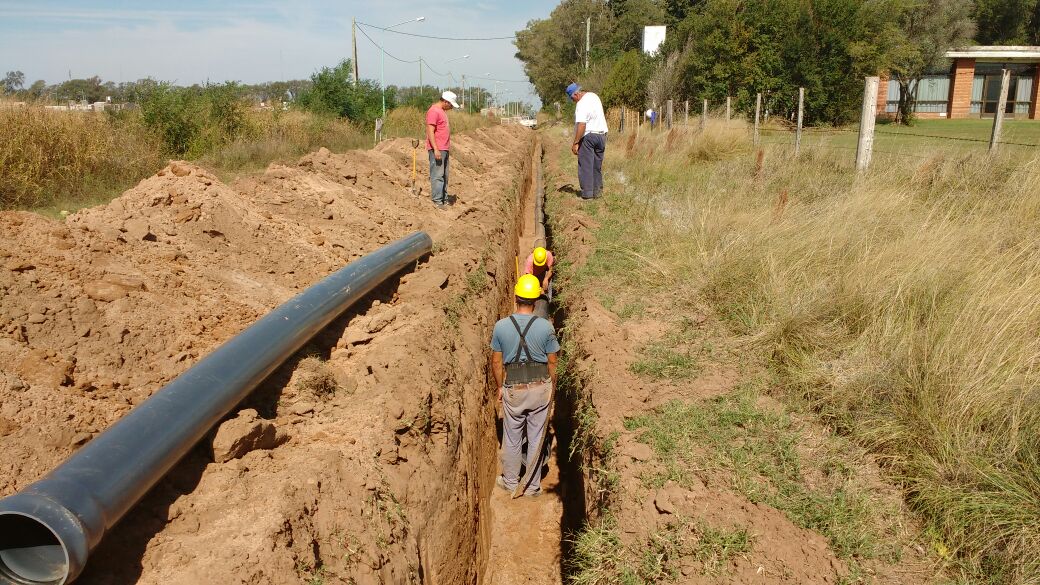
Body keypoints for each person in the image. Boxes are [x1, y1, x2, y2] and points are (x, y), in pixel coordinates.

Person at [490, 275, 560, 497]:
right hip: (540, 388)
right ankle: (532, 487)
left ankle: (510, 482)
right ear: (536, 301)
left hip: (514, 389)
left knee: (511, 437)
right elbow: (552, 361)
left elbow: (496, 361)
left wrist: (501, 387)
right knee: (537, 436)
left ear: (515, 297)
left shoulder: (501, 327)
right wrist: (552, 387)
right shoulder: (546, 327)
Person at [566, 83, 608, 200]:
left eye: (572, 98)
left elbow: (582, 124)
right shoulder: (594, 96)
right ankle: (597, 192)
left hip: (589, 136)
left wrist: (576, 142)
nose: (573, 101)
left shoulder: (581, 103)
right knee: (596, 166)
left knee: (585, 165)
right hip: (602, 135)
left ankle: (587, 195)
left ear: (576, 94)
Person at [426, 90, 460, 209]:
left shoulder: (441, 111)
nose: (451, 107)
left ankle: (444, 199)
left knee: (444, 175)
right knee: (438, 175)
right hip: (438, 149)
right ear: (445, 102)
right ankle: (437, 201)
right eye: (450, 105)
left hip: (444, 148)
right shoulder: (434, 111)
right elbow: (430, 131)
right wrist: (435, 149)